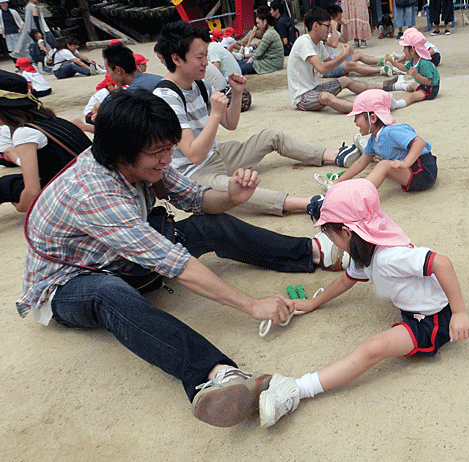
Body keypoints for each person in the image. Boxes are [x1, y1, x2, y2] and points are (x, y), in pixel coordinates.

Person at [17, 89, 348, 428]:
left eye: (169, 148)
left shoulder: (147, 160)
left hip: (118, 258)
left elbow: (197, 199)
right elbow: (173, 263)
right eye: (157, 152)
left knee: (208, 225)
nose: (167, 159)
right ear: (121, 153)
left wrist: (233, 197)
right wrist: (251, 305)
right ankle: (216, 375)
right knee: (109, 294)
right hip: (67, 284)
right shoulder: (94, 192)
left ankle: (313, 252)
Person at [259, 178, 469, 428]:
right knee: (376, 340)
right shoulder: (366, 245)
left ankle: (299, 388)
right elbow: (346, 280)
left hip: (433, 321)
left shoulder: (388, 257)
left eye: (328, 233)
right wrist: (315, 302)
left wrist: (459, 313)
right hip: (418, 308)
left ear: (347, 232)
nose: (328, 239)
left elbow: (441, 262)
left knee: (373, 348)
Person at [152, 20, 347, 216]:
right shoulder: (166, 97)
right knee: (238, 189)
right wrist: (215, 114)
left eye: (206, 55)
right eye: (199, 57)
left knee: (272, 136)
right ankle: (311, 203)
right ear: (177, 59)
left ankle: (337, 155)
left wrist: (236, 93)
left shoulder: (200, 84)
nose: (206, 63)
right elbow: (194, 155)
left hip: (217, 154)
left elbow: (230, 124)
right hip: (194, 172)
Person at [0, 71, 91, 212]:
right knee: (9, 182)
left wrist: (22, 207)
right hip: (87, 182)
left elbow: (32, 192)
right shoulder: (52, 120)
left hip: (73, 193)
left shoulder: (24, 133)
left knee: (5, 185)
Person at [332, 89, 438, 193]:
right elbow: (360, 163)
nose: (355, 121)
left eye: (357, 117)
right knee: (381, 159)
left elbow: (419, 142)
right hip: (410, 170)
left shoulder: (391, 131)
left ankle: (361, 194)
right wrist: (339, 181)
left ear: (373, 118)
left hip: (423, 171)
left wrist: (406, 162)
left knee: (383, 165)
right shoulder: (373, 140)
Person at [287, 7, 385, 114]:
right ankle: (371, 108)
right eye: (327, 26)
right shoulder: (304, 42)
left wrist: (345, 56)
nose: (329, 30)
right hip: (302, 97)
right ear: (315, 26)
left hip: (314, 89)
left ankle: (385, 86)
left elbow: (330, 63)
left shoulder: (318, 43)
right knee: (326, 97)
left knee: (345, 80)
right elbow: (322, 68)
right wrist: (344, 55)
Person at [322, 4, 394, 79]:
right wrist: (334, 27)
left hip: (334, 62)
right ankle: (382, 70)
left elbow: (344, 39)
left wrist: (345, 26)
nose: (340, 21)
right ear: (331, 19)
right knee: (351, 64)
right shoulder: (324, 32)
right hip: (327, 69)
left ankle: (384, 61)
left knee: (358, 55)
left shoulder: (333, 31)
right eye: (339, 19)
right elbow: (334, 44)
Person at [383, 28, 440, 109]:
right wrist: (392, 61)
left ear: (412, 50)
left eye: (404, 48)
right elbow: (404, 68)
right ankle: (401, 85)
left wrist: (416, 75)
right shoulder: (413, 60)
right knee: (411, 86)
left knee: (412, 96)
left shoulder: (424, 63)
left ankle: (395, 104)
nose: (403, 51)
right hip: (423, 84)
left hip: (431, 88)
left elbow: (428, 81)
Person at [238, 6, 284, 75]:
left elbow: (259, 53)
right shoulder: (270, 31)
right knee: (238, 64)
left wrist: (250, 60)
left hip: (271, 64)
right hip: (272, 62)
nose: (257, 25)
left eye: (258, 23)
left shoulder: (269, 34)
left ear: (265, 21)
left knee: (238, 68)